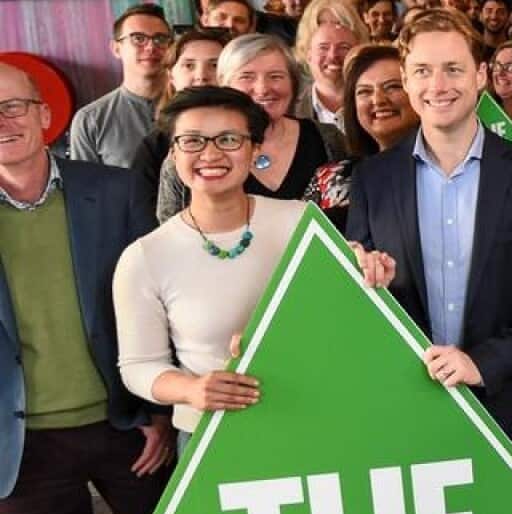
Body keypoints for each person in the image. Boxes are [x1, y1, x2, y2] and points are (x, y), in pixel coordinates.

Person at [347, 9, 512, 472]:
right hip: (409, 407)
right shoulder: (373, 180)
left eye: (453, 69)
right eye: (422, 71)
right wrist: (360, 272)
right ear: (407, 82)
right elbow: (365, 291)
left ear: (480, 76)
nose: (438, 85)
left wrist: (484, 363)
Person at [0, 62, 172, 514]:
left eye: (14, 106)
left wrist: (157, 410)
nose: (3, 122)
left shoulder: (115, 190)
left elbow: (157, 302)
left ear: (45, 115)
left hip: (126, 426)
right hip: (20, 447)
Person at [116, 86, 392, 454]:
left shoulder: (299, 219)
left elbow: (344, 312)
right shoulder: (145, 256)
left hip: (316, 419)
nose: (211, 154)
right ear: (173, 153)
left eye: (229, 139)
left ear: (255, 149)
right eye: (193, 141)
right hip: (214, 436)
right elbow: (138, 366)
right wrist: (191, 390)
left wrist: (367, 272)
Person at [156, 33, 347, 222]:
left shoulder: (328, 139)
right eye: (247, 77)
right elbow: (170, 228)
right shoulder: (191, 154)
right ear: (224, 84)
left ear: (293, 83)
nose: (263, 88)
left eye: (275, 76)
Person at [304, 44, 419, 228]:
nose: (378, 100)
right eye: (365, 91)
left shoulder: (442, 172)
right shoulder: (330, 178)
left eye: (392, 87)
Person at [131, 28, 229, 217]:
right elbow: (143, 218)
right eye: (189, 65)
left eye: (214, 65)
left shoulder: (252, 133)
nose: (201, 76)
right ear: (171, 76)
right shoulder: (154, 146)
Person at [69, 4, 172, 168]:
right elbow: (86, 183)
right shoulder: (90, 120)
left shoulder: (192, 107)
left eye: (160, 39)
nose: (151, 47)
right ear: (116, 48)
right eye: (138, 38)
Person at [295, 7, 368, 126]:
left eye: (344, 47)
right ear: (308, 54)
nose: (333, 55)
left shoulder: (374, 105)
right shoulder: (289, 110)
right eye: (323, 47)